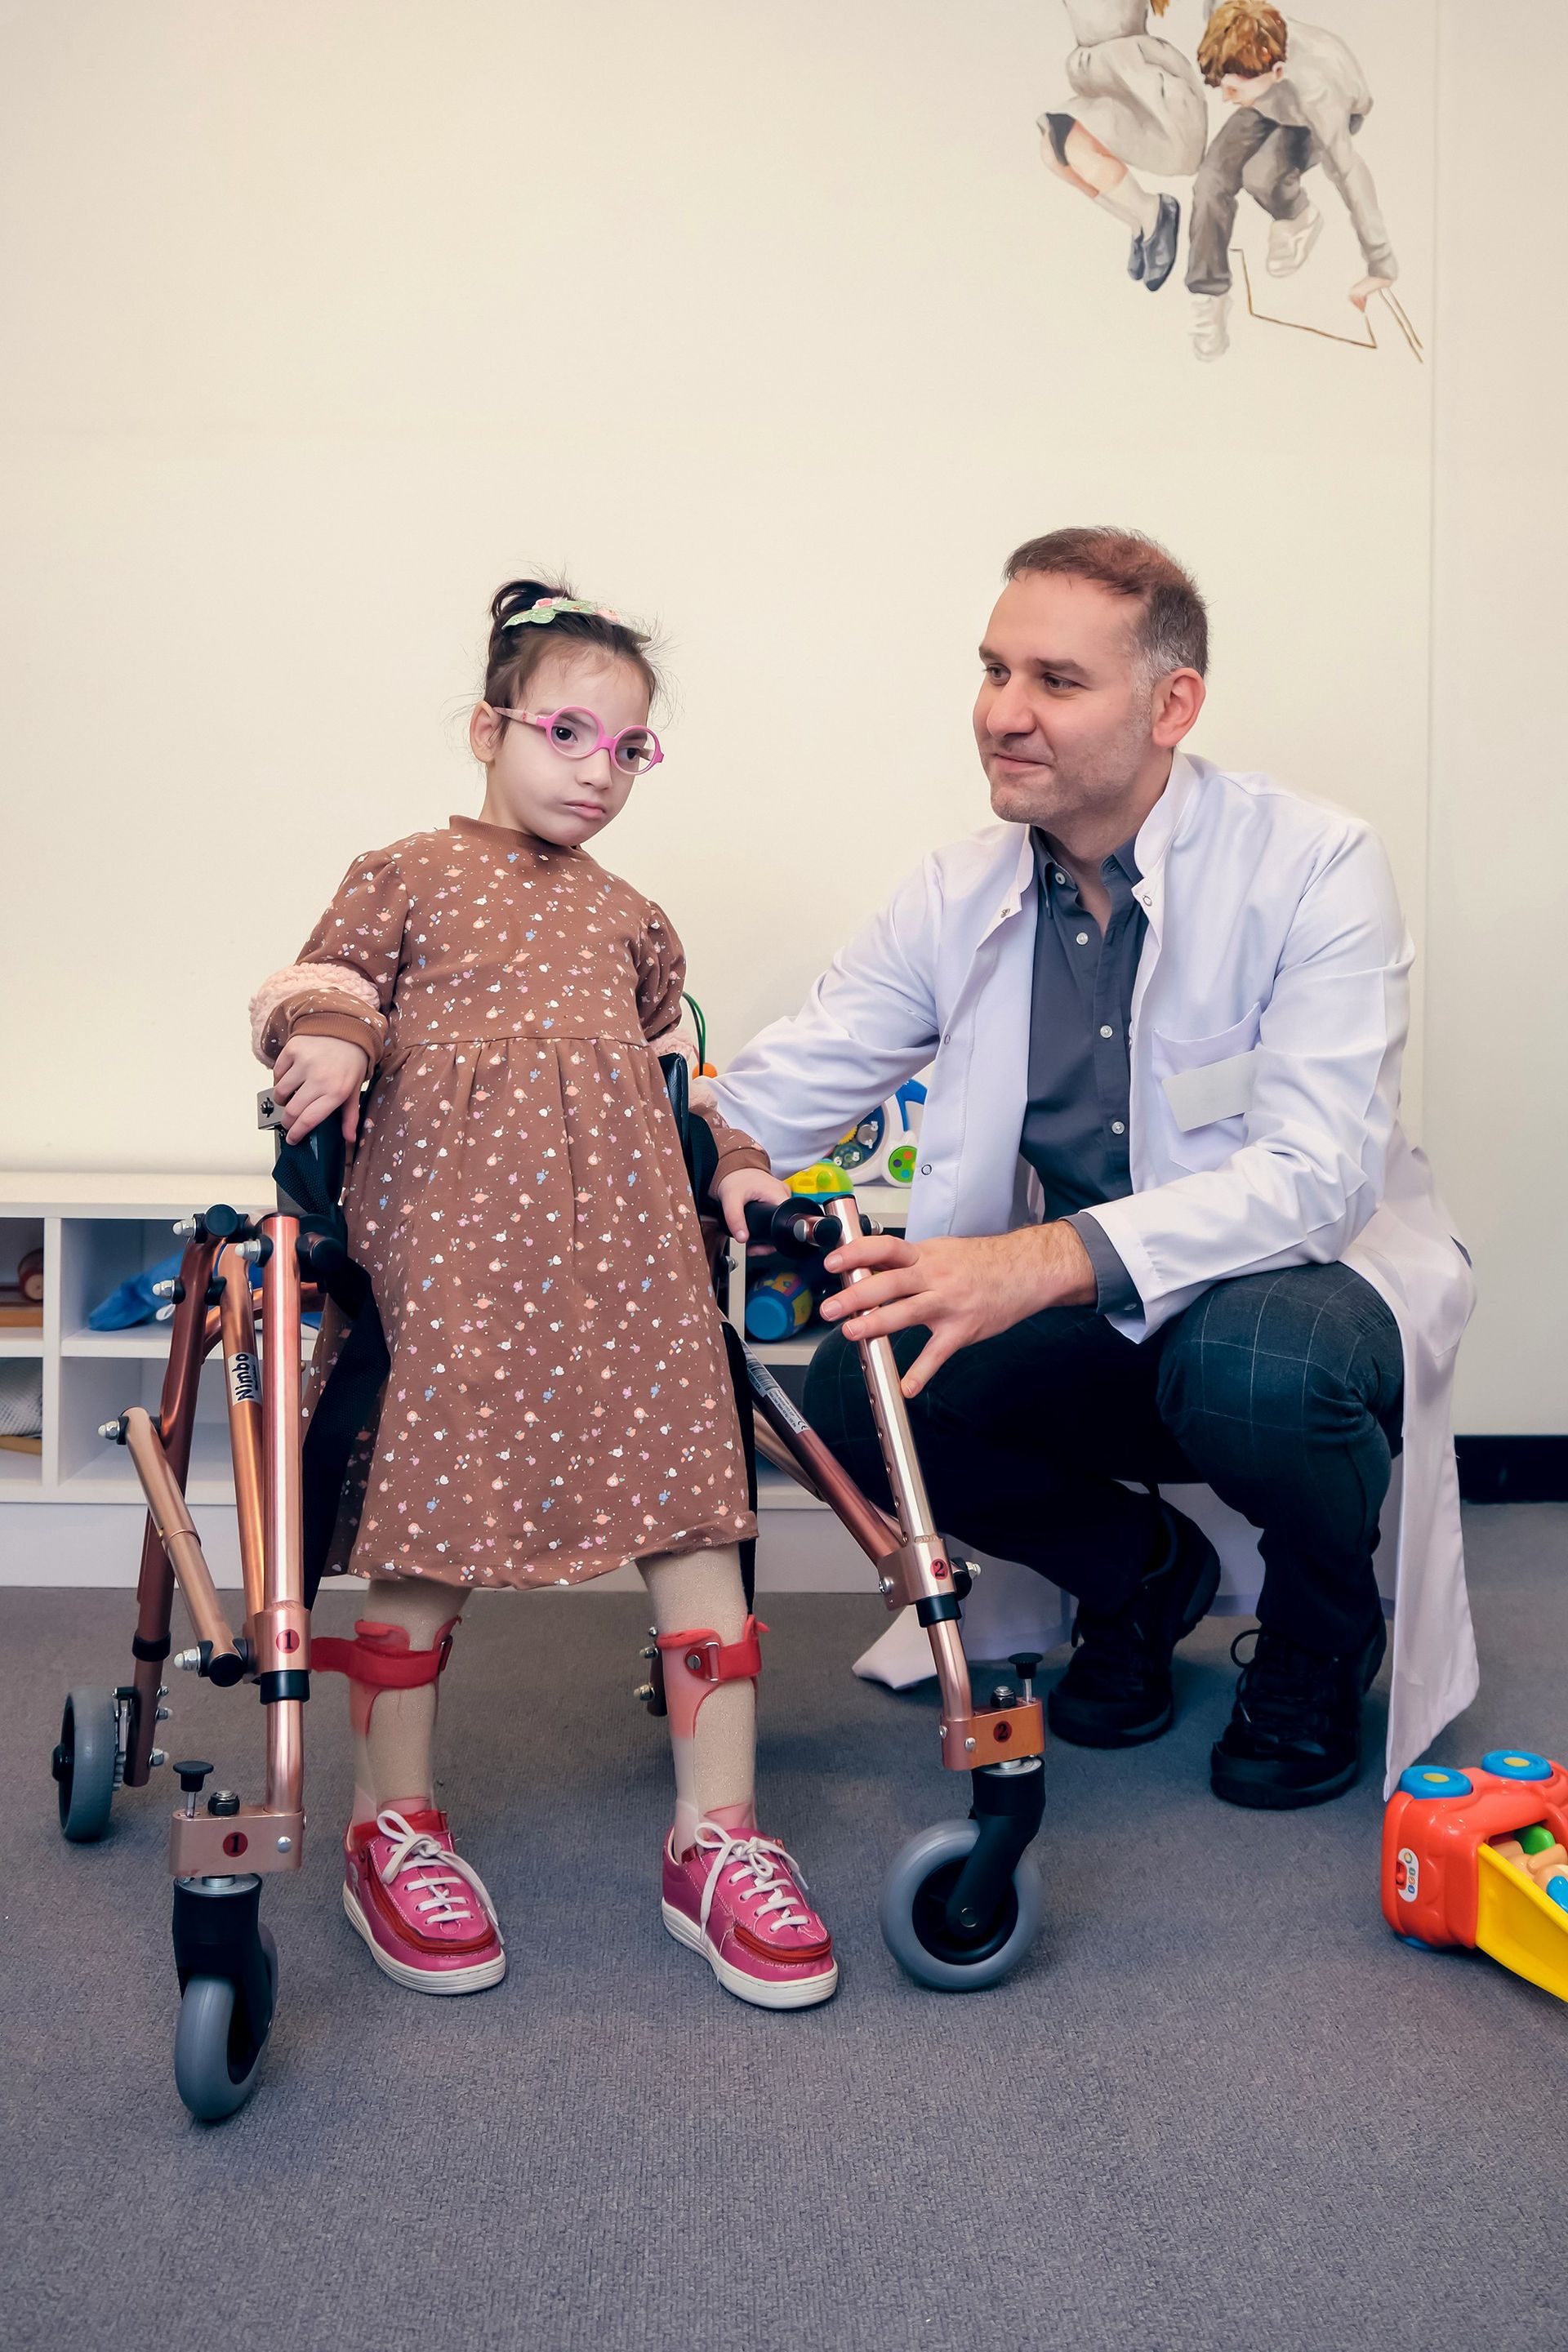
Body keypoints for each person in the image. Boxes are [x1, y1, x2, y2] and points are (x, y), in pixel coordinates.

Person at [706, 528, 1476, 1811]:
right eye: (994, 670)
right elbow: (786, 1082)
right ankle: (1136, 1571)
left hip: (1302, 1291)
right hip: (1097, 1315)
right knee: (858, 1388)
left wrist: (1036, 1259)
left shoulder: (1315, 865)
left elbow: (1317, 1179)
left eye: (1055, 681)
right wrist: (666, 1131)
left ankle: (1319, 1632)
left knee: (1252, 1365)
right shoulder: (954, 893)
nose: (1003, 714)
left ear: (1172, 705)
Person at [249, 580, 835, 2007]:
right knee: (428, 1515)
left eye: (630, 748)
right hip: (455, 1264)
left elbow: (681, 1087)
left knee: (699, 1505)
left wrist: (747, 1168)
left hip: (633, 1271)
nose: (598, 768)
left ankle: (720, 1835)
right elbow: (321, 983)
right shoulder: (406, 873)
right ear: (487, 730)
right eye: (569, 731)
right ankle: (393, 1822)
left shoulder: (637, 921)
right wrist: (327, 1043)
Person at [1185, 3, 1397, 360]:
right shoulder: (1227, 22)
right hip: (1264, 97)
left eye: (1232, 90)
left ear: (1278, 70)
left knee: (1262, 176)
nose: (1224, 99)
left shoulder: (1319, 91)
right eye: (1223, 87)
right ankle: (1209, 294)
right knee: (1209, 180)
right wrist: (1243, 89)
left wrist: (1381, 263)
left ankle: (1298, 216)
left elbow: (1349, 172)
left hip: (1320, 112)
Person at [1039, 0, 1209, 293]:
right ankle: (1139, 221)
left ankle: (1153, 211)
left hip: (1140, 83)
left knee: (1074, 144)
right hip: (1102, 77)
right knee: (1052, 152)